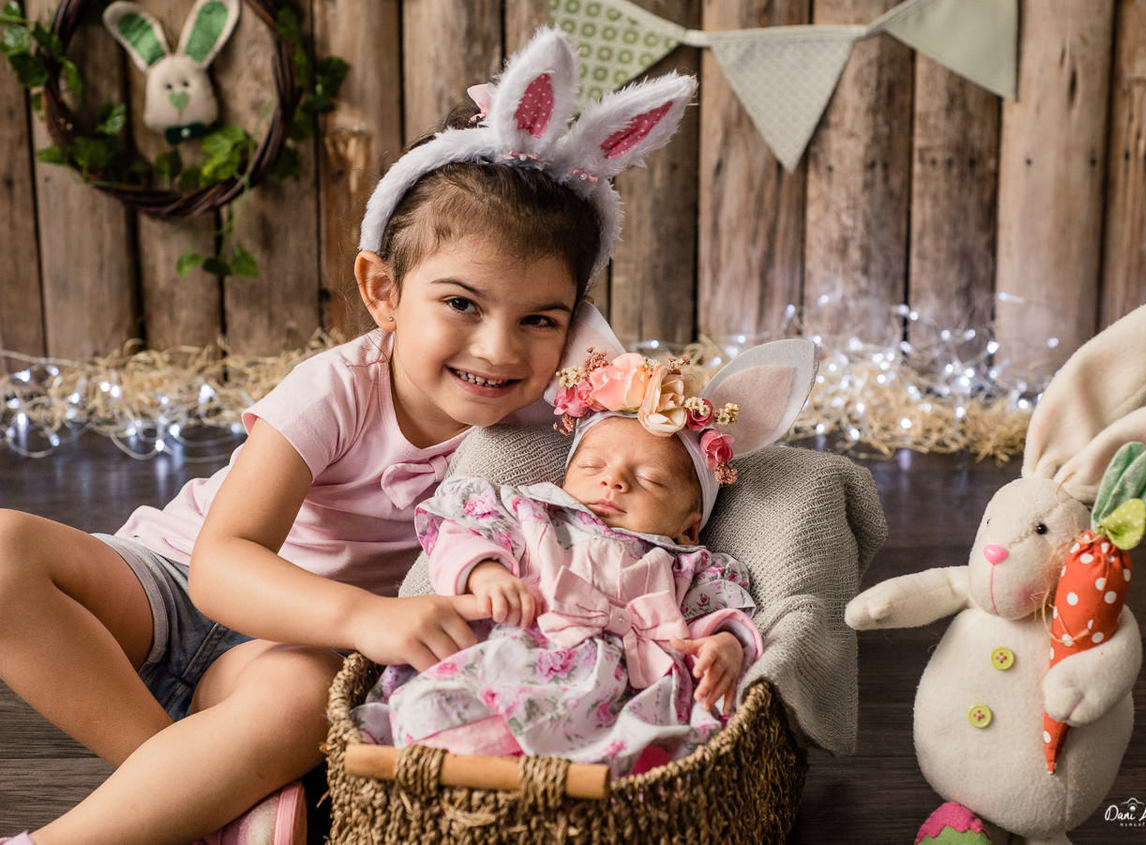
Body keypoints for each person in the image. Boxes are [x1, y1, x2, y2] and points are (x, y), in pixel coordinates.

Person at [0, 29, 696, 845]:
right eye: (461, 304)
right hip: (169, 587)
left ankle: (157, 804)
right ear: (384, 292)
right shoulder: (337, 387)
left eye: (539, 319)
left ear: (575, 322)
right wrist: (366, 615)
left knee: (305, 700)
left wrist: (607, 369)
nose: (498, 350)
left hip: (287, 655)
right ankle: (194, 793)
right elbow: (220, 567)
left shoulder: (556, 423)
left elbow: (653, 446)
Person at [352, 353, 765, 777]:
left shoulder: (687, 565)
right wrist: (485, 572)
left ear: (689, 528)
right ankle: (444, 768)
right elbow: (459, 528)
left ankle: (578, 794)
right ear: (565, 479)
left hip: (621, 694)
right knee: (433, 705)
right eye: (592, 466)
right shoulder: (533, 514)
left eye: (650, 480)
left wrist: (724, 645)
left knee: (660, 752)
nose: (613, 481)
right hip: (515, 657)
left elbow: (721, 614)